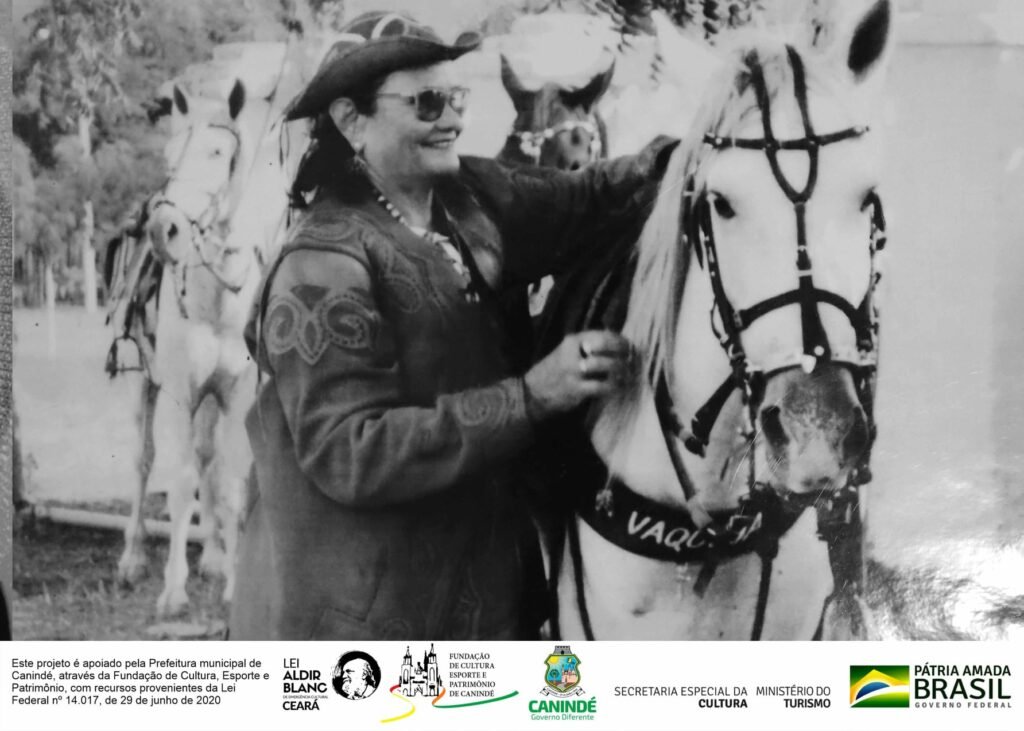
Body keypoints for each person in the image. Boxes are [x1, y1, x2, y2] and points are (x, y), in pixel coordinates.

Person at [229, 10, 674, 641]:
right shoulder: (321, 265)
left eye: (455, 97)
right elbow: (351, 452)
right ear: (351, 120)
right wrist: (531, 397)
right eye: (427, 102)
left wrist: (670, 161)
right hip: (370, 620)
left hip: (487, 591)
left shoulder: (467, 198)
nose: (454, 119)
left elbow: (582, 200)